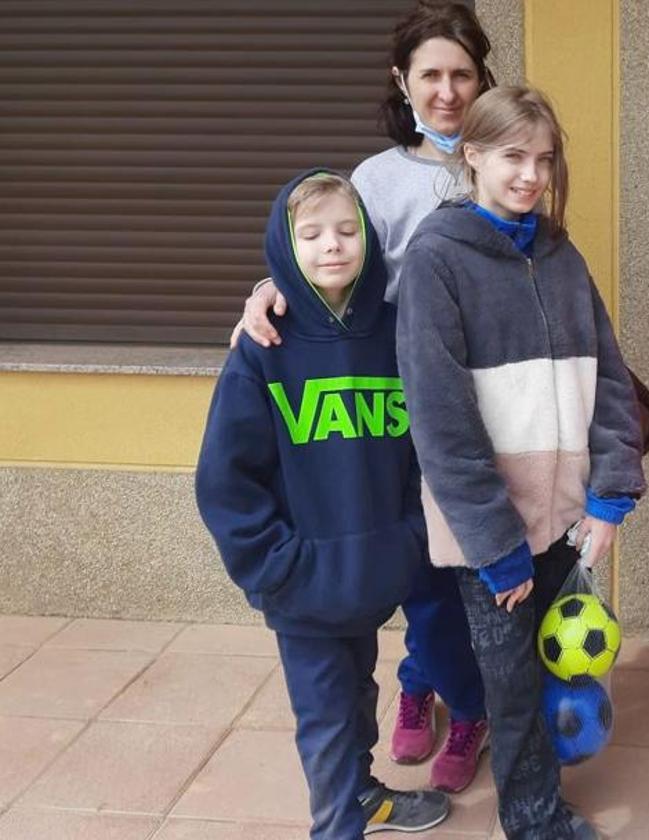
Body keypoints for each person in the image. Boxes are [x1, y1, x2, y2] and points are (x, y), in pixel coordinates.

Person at [233, 0, 494, 793]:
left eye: (461, 75)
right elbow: (322, 259)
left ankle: (456, 695)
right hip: (392, 404)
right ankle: (426, 686)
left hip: (478, 400)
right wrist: (262, 295)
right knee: (411, 564)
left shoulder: (499, 161)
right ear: (403, 84)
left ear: (482, 79)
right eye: (430, 77)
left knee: (450, 571)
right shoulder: (377, 180)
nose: (447, 92)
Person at [395, 85, 646, 840]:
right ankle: (533, 822)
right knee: (511, 683)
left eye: (543, 158)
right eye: (512, 155)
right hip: (492, 538)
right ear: (470, 155)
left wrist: (608, 497)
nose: (530, 174)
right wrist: (497, 548)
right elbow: (442, 424)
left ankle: (543, 777)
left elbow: (608, 377)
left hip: (567, 518)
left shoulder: (560, 255)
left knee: (557, 663)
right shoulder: (436, 261)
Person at [196, 170, 452, 838]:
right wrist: (280, 567)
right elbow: (225, 479)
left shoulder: (394, 334)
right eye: (310, 235)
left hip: (372, 573)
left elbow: (420, 452)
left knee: (361, 698)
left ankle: (362, 795)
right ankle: (337, 826)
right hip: (303, 588)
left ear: (369, 238)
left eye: (346, 230)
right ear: (285, 245)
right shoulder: (264, 349)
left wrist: (405, 541)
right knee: (327, 720)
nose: (331, 246)